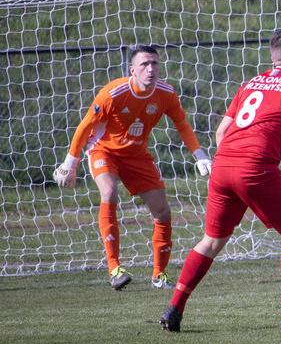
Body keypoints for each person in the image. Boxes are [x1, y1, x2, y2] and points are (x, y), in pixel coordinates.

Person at [160, 29, 281, 332]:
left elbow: (221, 133)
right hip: (255, 169)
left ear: (272, 57)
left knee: (211, 241)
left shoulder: (250, 83)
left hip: (223, 166)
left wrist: (233, 161)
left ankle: (174, 308)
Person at [52, 45, 212, 290]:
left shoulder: (166, 93)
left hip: (137, 156)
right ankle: (115, 268)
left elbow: (182, 123)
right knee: (109, 193)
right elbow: (85, 127)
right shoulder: (113, 93)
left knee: (163, 212)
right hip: (104, 150)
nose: (151, 69)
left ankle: (159, 275)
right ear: (132, 70)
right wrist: (69, 164)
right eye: (144, 65)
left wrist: (200, 156)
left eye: (154, 64)